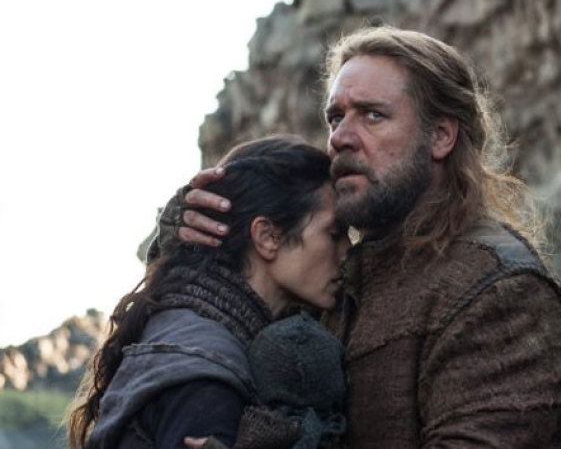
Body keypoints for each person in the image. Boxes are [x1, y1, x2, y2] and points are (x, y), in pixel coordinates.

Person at [161, 26, 561, 448]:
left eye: (372, 115)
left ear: (440, 136)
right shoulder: (339, 271)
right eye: (335, 117)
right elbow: (220, 334)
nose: (340, 137)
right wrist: (193, 238)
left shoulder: (500, 293)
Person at [67, 136, 350, 449]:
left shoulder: (189, 327)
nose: (347, 252)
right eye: (335, 234)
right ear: (267, 237)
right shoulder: (208, 377)